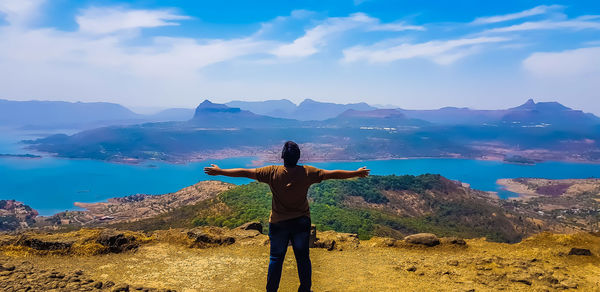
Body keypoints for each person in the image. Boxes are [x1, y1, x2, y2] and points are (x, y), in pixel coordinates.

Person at [204, 141, 370, 292]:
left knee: (276, 259)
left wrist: (220, 171)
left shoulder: (271, 172)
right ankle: (304, 290)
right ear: (298, 157)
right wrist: (355, 173)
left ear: (282, 157)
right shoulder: (308, 172)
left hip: (278, 224)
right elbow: (333, 174)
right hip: (301, 223)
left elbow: (245, 172)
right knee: (303, 258)